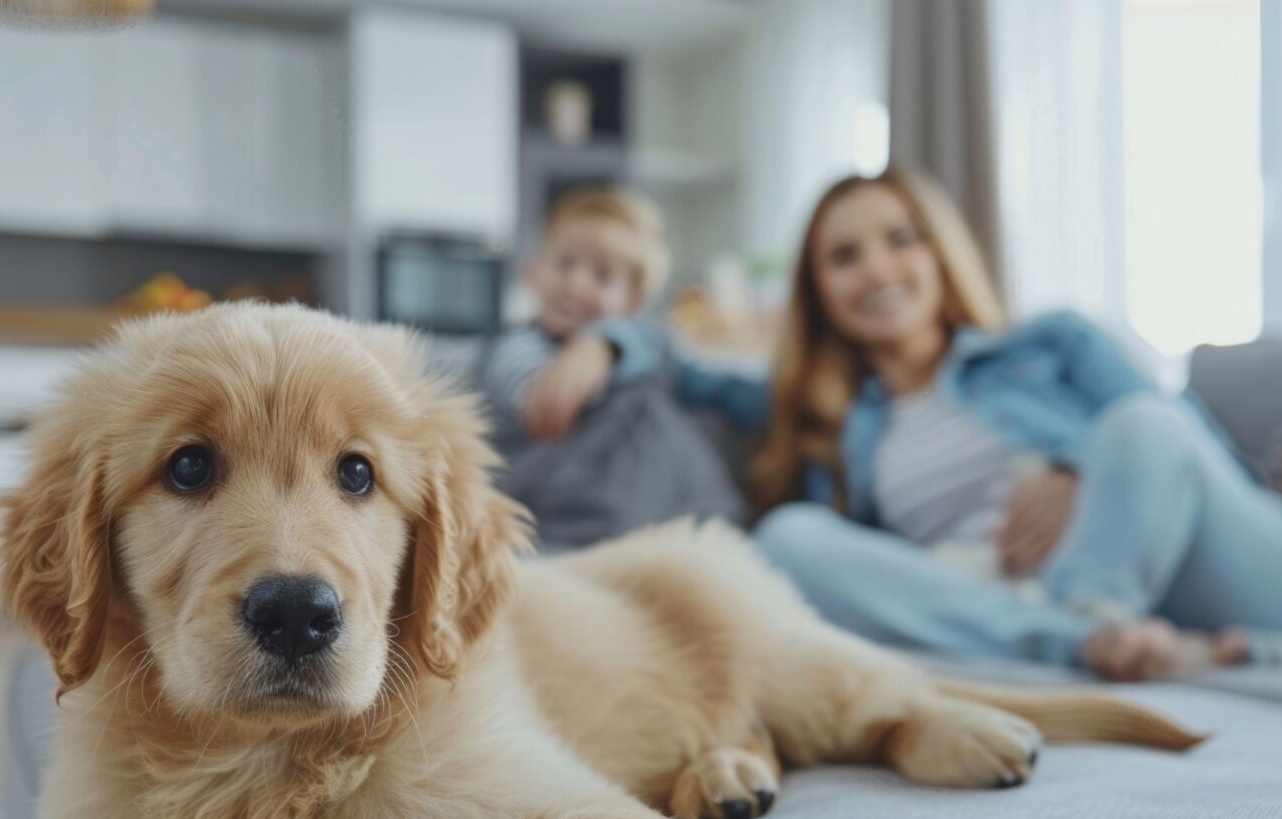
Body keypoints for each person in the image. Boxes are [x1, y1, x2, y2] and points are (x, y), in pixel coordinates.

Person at [531, 167, 1282, 680]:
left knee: (1139, 423)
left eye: (901, 239)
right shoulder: (823, 413)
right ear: (819, 290)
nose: (879, 270)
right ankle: (1088, 641)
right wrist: (599, 342)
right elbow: (675, 358)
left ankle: (1093, 618)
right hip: (1006, 593)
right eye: (844, 256)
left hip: (1209, 557)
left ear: (939, 250)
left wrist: (1074, 466)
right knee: (790, 538)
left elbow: (1177, 434)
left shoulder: (1050, 341)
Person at [479, 187, 744, 550]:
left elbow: (713, 383)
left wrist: (613, 343)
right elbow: (544, 399)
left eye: (602, 276)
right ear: (535, 273)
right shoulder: (518, 348)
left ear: (633, 303)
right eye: (564, 263)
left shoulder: (651, 344)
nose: (576, 282)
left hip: (673, 519)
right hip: (564, 523)